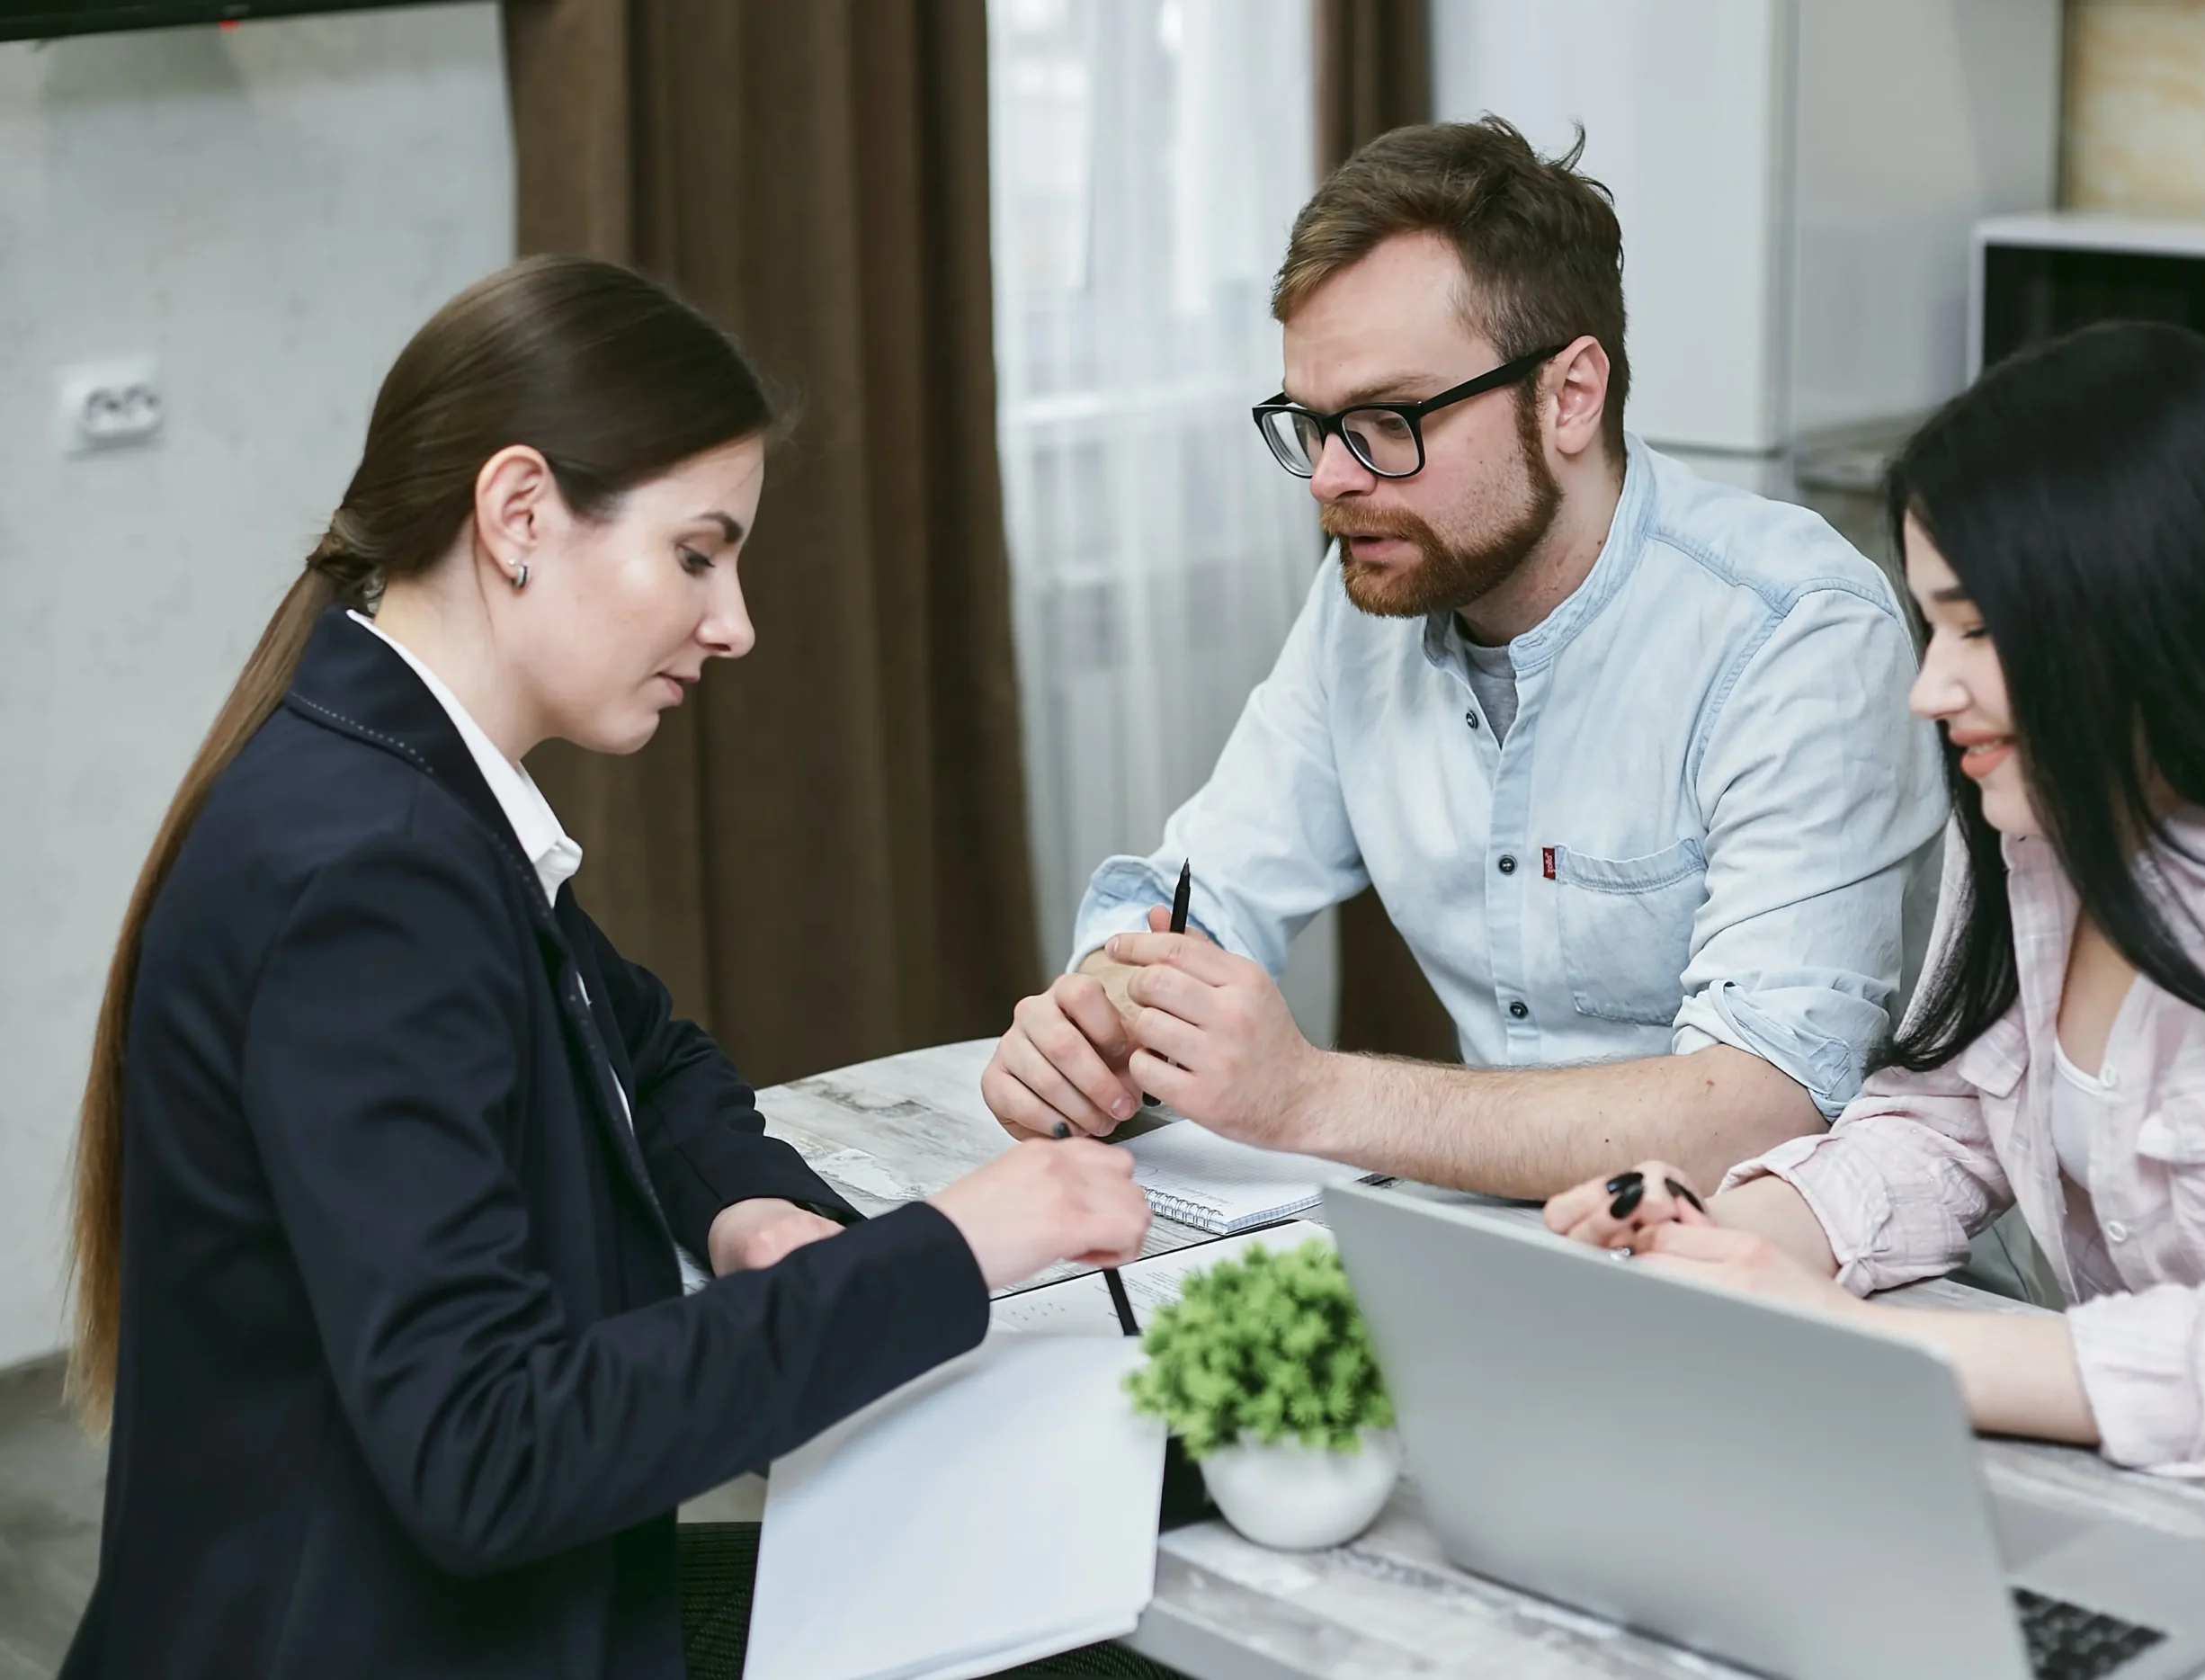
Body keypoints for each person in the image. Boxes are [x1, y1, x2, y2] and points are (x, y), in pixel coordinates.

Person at [59, 256, 1150, 1680]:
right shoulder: (371, 876)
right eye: (699, 553)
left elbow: (638, 1042)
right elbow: (492, 1454)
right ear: (519, 515)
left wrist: (749, 1205)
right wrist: (955, 1243)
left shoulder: (402, 787)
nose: (735, 621)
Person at [982, 118, 1945, 1197]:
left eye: (1387, 420)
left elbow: (1766, 1102)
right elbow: (1199, 894)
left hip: (1800, 1274)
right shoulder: (1372, 599)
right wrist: (1100, 1008)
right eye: (1311, 425)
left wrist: (1309, 1096)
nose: (1329, 483)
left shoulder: (1794, 632)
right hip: (1511, 1255)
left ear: (1569, 395)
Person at [1546, 320, 2205, 1476]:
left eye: (1979, 630)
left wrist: (1866, 1344)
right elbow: (1942, 1123)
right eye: (1929, 623)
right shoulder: (2033, 820)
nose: (1927, 688)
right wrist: (1723, 1239)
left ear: (2144, 606)